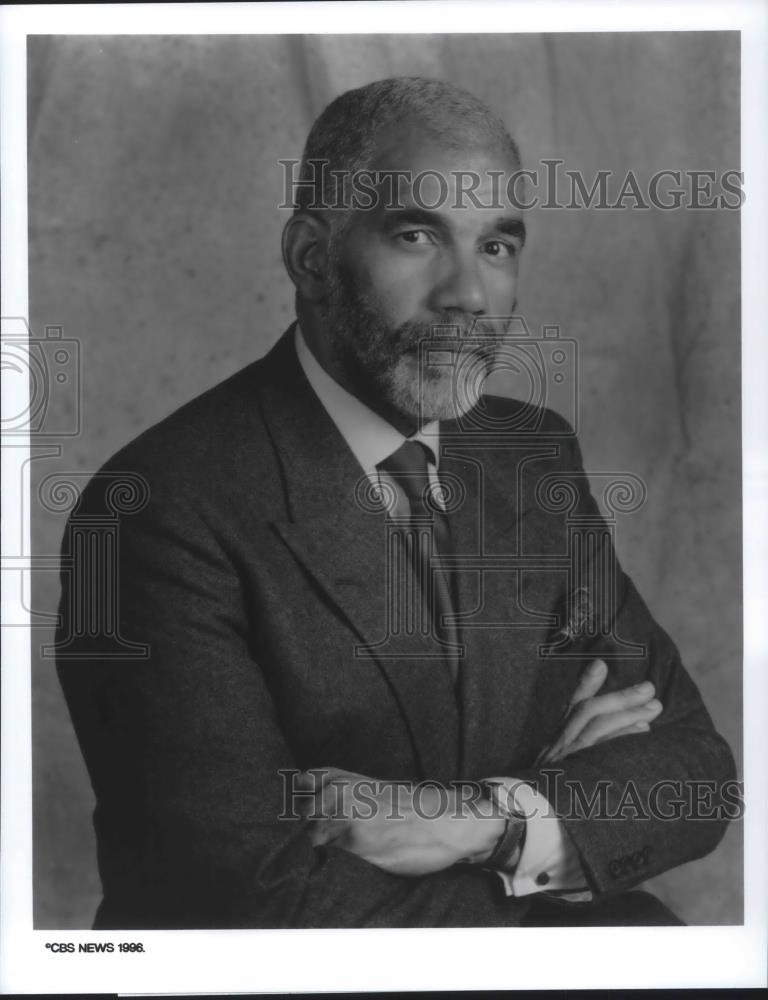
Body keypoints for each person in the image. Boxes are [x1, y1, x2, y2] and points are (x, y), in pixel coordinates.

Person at [55, 77, 736, 929]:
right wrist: (558, 819)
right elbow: (249, 901)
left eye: (497, 246)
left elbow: (700, 774)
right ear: (310, 254)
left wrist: (480, 821)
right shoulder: (151, 511)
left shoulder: (531, 453)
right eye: (417, 235)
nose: (469, 294)